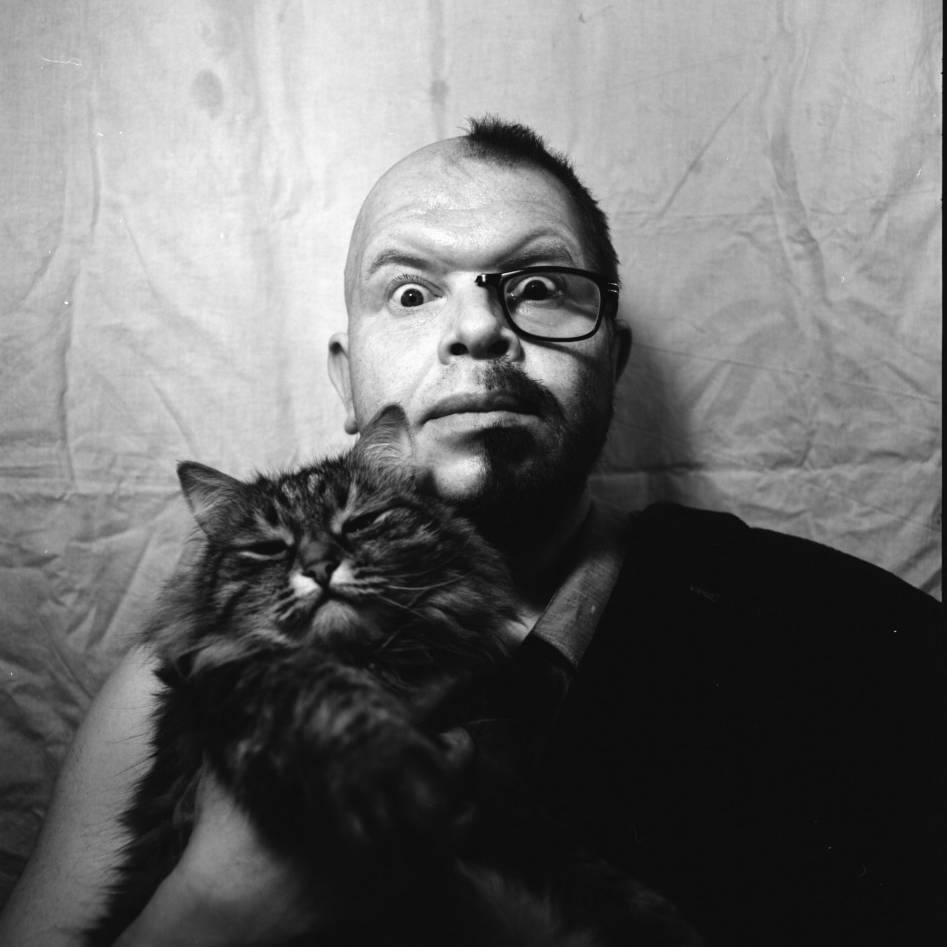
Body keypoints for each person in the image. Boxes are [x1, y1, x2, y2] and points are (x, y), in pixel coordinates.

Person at [0, 117, 941, 947]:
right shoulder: (169, 680)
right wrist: (209, 914)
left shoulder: (846, 633)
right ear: (346, 381)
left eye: (538, 284)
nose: (480, 328)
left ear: (610, 359)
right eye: (411, 293)